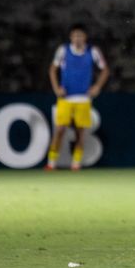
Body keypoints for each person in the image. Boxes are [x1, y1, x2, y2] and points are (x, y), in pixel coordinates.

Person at [45, 24, 109, 171]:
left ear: (85, 37)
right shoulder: (63, 50)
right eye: (75, 36)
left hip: (84, 98)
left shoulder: (93, 51)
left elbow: (105, 70)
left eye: (80, 35)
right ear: (71, 37)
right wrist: (56, 88)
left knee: (81, 131)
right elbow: (52, 69)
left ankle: (76, 162)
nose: (78, 39)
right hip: (65, 98)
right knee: (60, 129)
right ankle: (51, 162)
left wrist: (97, 86)